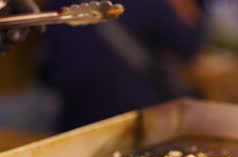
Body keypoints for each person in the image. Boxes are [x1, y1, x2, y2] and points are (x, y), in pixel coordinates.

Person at [45, 0, 206, 131]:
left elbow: (47, 68)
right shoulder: (150, 4)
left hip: (74, 122)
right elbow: (189, 46)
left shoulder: (55, 5)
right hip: (134, 124)